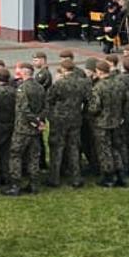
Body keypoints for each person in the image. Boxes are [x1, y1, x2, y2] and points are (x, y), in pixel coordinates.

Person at [4, 63, 47, 196]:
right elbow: (45, 106)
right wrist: (39, 121)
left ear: (24, 72)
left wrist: (34, 121)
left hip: (22, 129)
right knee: (34, 157)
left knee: (15, 155)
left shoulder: (22, 88)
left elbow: (24, 109)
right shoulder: (40, 87)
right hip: (35, 129)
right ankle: (34, 184)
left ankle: (15, 185)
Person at [47, 59, 90, 188]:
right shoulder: (82, 83)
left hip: (59, 119)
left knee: (57, 148)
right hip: (76, 118)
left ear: (63, 69)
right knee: (74, 148)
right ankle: (76, 177)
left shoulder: (59, 84)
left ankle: (54, 178)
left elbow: (49, 99)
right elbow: (88, 100)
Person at [86, 60, 127, 187]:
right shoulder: (119, 84)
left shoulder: (98, 87)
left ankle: (108, 177)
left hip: (102, 123)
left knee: (104, 150)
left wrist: (89, 111)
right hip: (116, 121)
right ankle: (120, 175)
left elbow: (95, 108)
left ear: (99, 72)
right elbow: (125, 100)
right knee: (116, 148)